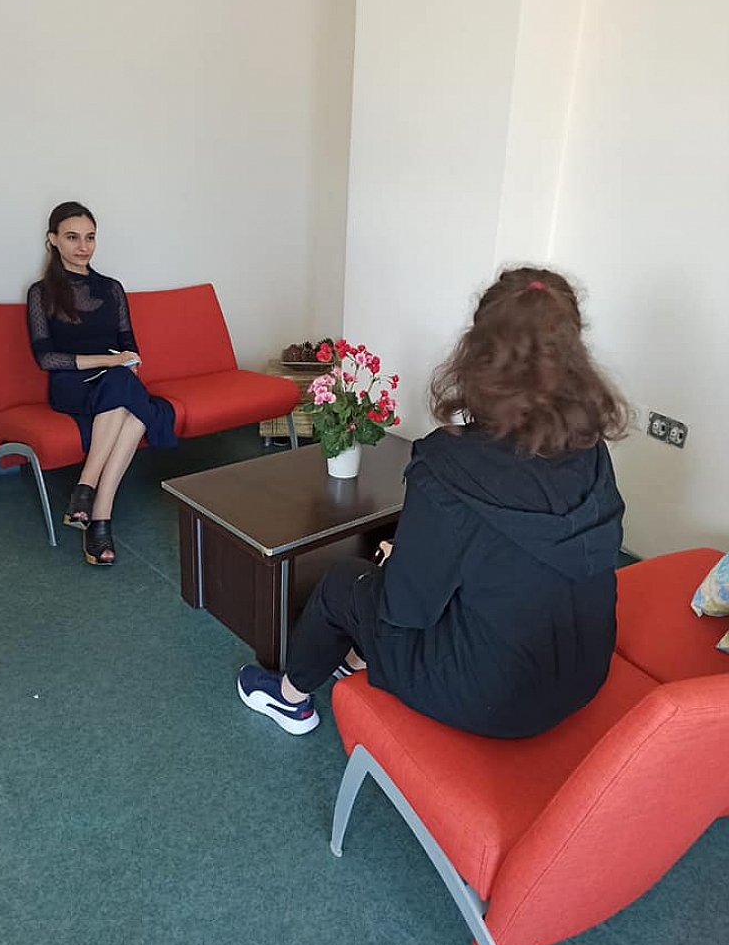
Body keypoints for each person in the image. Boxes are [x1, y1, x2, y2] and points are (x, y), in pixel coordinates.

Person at [236, 266, 628, 737]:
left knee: (344, 583)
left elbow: (405, 605)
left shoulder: (449, 465)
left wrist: (399, 561)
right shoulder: (590, 447)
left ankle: (290, 697)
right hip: (582, 673)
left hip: (491, 700)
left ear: (478, 353)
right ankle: (354, 659)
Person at [27, 201, 176, 565]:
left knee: (129, 401)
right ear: (53, 240)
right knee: (135, 402)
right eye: (72, 237)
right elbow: (47, 359)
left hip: (114, 383)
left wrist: (126, 363)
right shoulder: (41, 293)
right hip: (71, 386)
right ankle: (91, 494)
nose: (84, 246)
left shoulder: (111, 289)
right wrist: (111, 361)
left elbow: (129, 345)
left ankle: (96, 509)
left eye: (90, 237)